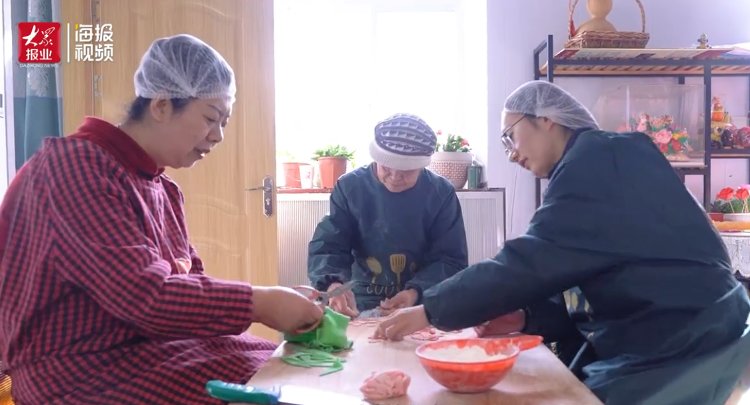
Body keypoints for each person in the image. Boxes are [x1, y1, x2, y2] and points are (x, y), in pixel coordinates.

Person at [374, 81, 750, 403]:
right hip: (673, 324)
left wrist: (429, 310)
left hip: (684, 336)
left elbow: (529, 261)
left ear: (546, 119)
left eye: (510, 136)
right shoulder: (597, 160)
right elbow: (584, 270)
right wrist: (525, 316)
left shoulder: (602, 159)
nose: (511, 153)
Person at [0, 34, 323, 404]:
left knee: (283, 367)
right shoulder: (74, 167)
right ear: (161, 105)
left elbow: (190, 287)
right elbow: (144, 297)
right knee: (272, 387)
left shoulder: (163, 189)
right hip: (75, 371)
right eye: (210, 118)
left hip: (151, 349)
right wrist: (262, 301)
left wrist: (276, 300)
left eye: (224, 122)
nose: (217, 136)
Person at [308, 113, 469, 318]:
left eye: (406, 172)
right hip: (360, 300)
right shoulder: (350, 187)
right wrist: (333, 285)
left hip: (423, 301)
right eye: (386, 167)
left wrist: (414, 293)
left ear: (422, 166)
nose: (394, 177)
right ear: (376, 157)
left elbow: (451, 260)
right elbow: (329, 245)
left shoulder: (440, 193)